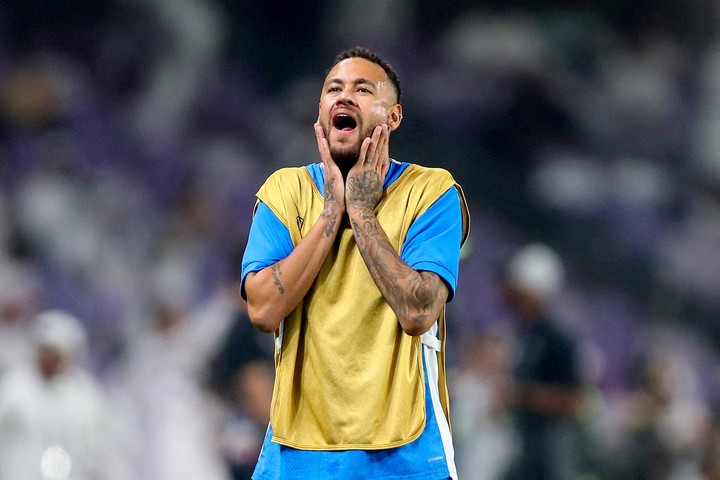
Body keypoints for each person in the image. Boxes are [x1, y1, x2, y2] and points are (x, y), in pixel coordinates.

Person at [240, 47, 470, 480]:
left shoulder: (432, 192)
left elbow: (419, 311)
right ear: (322, 110)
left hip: (404, 452)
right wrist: (331, 211)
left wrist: (362, 211)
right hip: (297, 451)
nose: (344, 97)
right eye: (333, 89)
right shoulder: (284, 192)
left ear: (394, 117)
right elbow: (263, 309)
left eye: (363, 90)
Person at [0, 309, 125, 480]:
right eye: (45, 351)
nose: (49, 359)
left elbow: (100, 444)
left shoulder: (84, 392)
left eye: (55, 353)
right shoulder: (15, 386)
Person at [500, 243, 588, 480]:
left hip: (548, 446)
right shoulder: (526, 331)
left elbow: (574, 401)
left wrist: (523, 395)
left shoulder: (557, 339)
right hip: (523, 439)